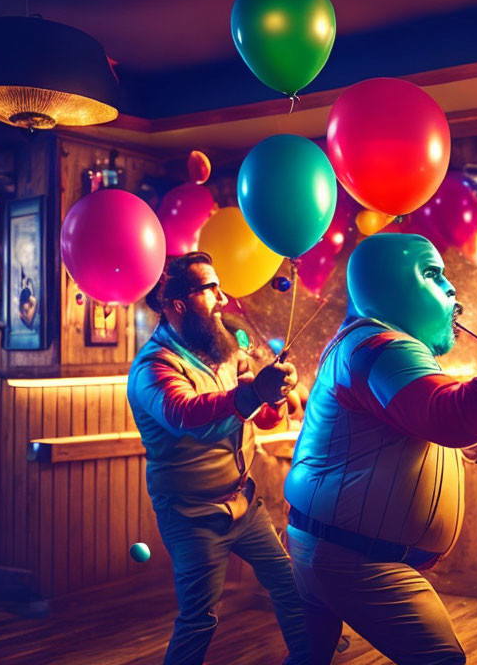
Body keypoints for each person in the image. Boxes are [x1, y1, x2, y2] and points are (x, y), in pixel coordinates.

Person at [285, 233, 477, 664]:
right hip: (356, 557)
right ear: (388, 285)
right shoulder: (381, 349)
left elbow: (411, 420)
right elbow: (446, 415)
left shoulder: (376, 347)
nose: (452, 289)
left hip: (329, 544)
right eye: (434, 275)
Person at [127, 251, 309, 665]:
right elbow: (189, 417)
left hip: (245, 504)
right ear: (177, 304)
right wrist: (254, 393)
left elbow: (259, 417)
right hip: (192, 515)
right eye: (211, 289)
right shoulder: (153, 368)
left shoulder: (226, 349)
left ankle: (310, 654)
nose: (223, 299)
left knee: (289, 586)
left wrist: (277, 393)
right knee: (199, 618)